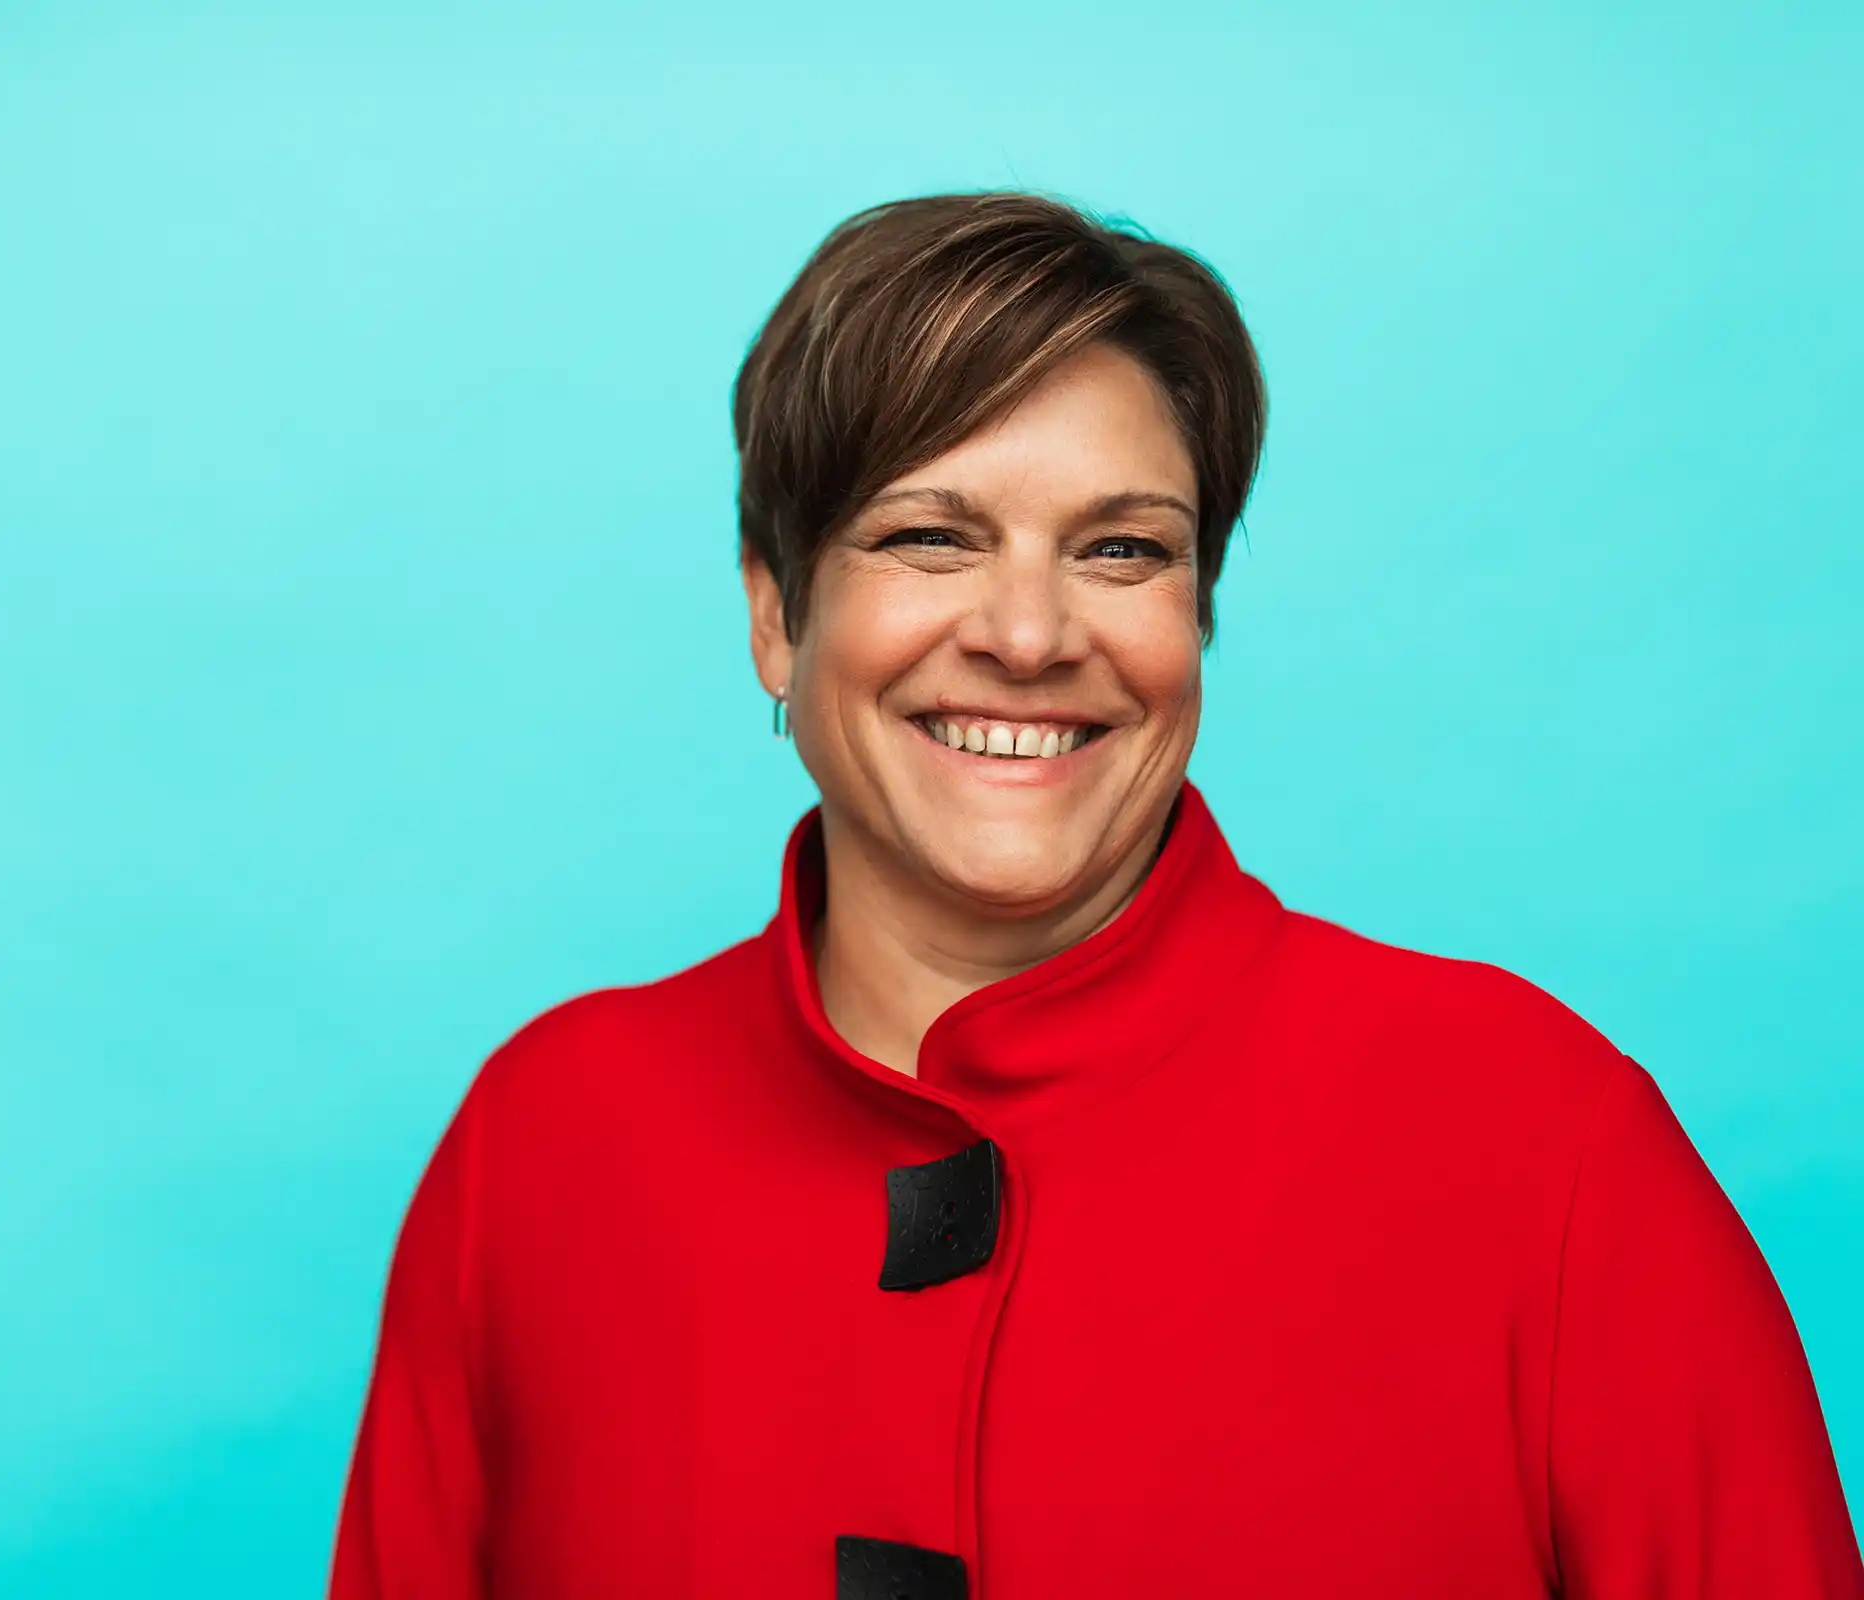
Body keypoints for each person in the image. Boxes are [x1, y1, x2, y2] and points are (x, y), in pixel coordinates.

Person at [324, 192, 1862, 1598]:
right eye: (929, 536)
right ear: (776, 616)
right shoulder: (540, 1151)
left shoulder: (1550, 1147)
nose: (1029, 632)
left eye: (1124, 550)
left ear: (1198, 615)